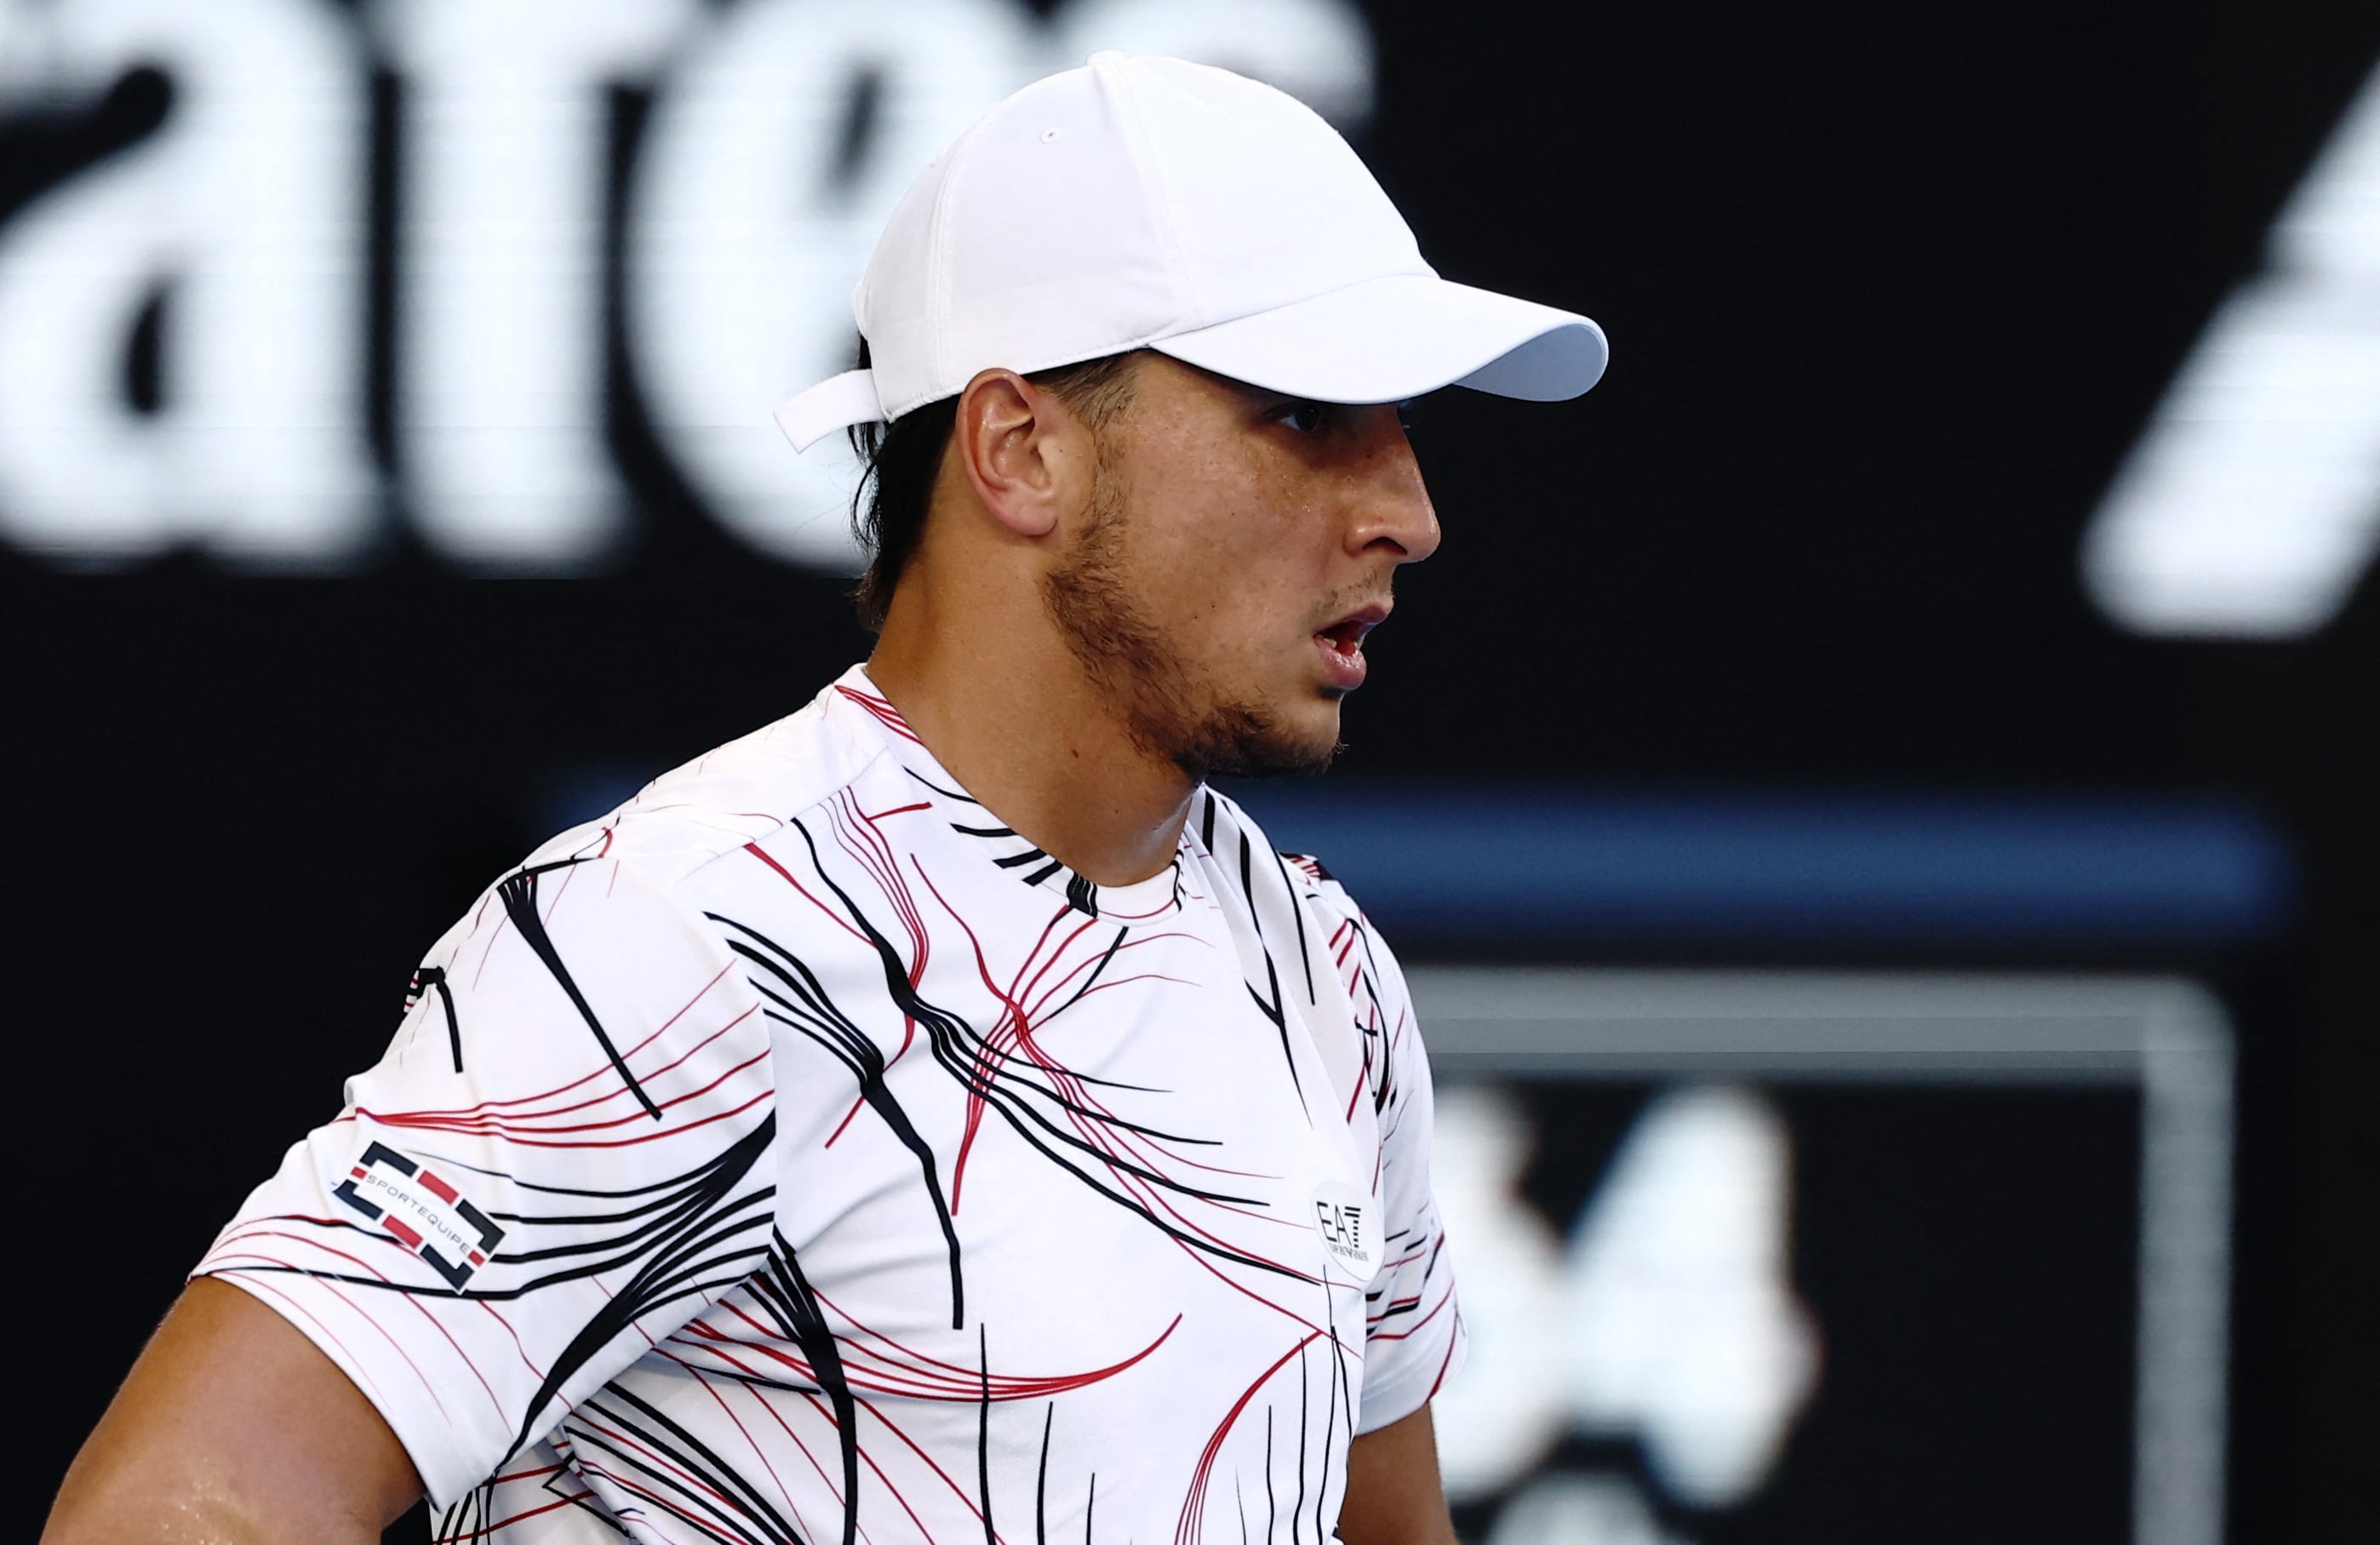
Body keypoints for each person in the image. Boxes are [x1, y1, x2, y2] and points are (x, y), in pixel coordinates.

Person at [44, 53, 1605, 1545]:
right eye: (1304, 416)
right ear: (1019, 450)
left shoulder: (1321, 978)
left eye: (1400, 429)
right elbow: (189, 1508)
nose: (1408, 511)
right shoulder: (688, 937)